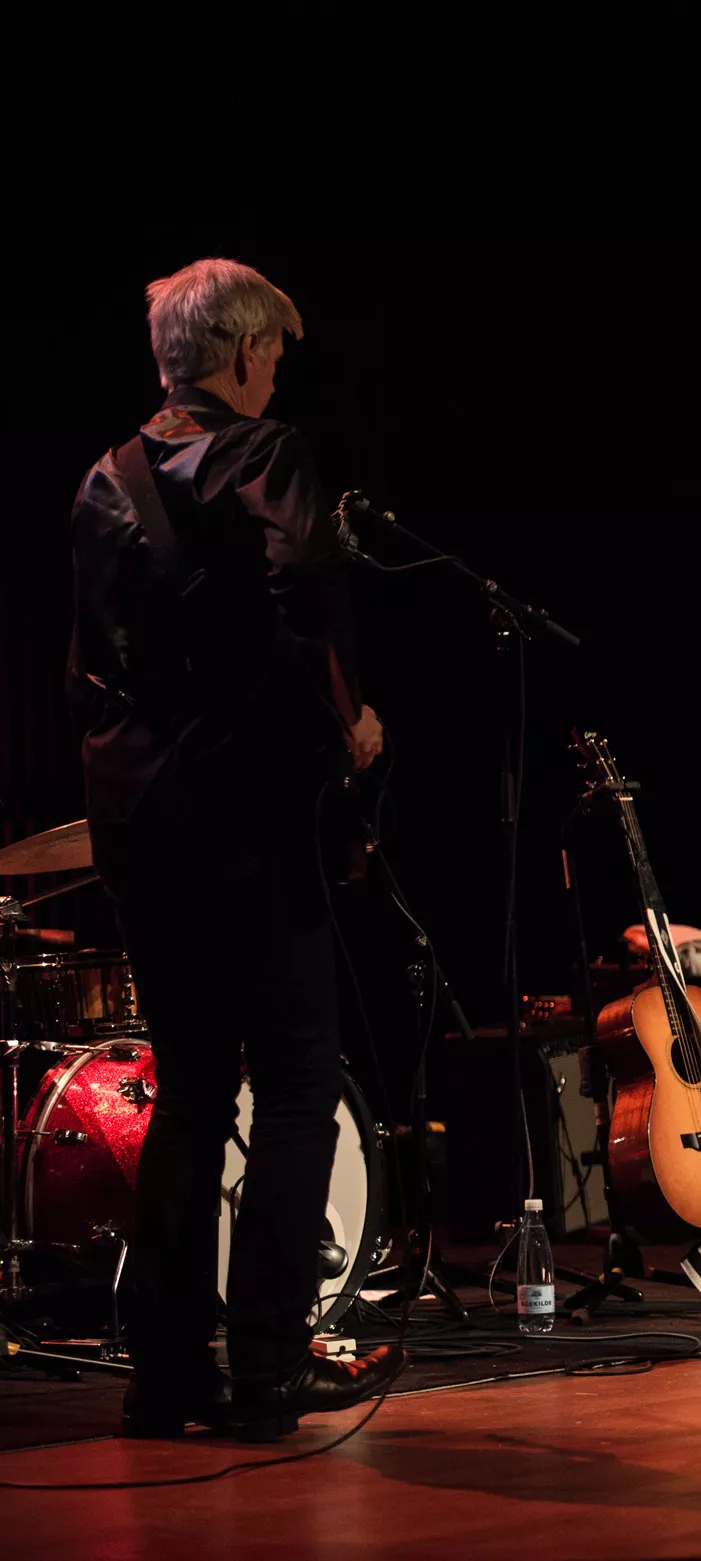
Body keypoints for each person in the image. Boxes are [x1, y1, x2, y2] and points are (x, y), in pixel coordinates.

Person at [69, 258, 404, 1439]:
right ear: (246, 352)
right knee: (299, 1075)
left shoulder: (102, 481)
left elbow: (101, 662)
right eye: (273, 358)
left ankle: (166, 1370)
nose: (274, 379)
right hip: (244, 817)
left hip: (138, 817)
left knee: (194, 1082)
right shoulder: (265, 453)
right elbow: (304, 589)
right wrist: (346, 723)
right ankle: (267, 1363)